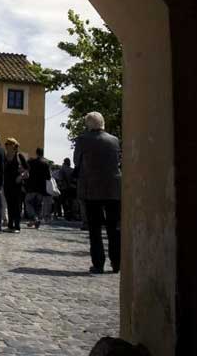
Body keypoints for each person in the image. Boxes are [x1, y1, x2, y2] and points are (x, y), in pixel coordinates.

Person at [74, 111, 121, 274]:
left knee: (95, 229)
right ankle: (117, 262)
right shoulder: (114, 140)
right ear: (103, 123)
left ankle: (98, 263)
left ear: (88, 124)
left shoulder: (82, 140)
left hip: (91, 188)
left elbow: (77, 162)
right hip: (113, 189)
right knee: (114, 227)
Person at [3, 138, 26, 233]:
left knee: (17, 206)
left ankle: (17, 227)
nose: (6, 145)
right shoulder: (5, 156)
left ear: (14, 145)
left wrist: (21, 176)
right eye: (6, 144)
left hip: (17, 185)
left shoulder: (19, 156)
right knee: (10, 205)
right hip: (7, 184)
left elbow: (27, 170)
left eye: (8, 144)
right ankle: (10, 225)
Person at [25, 148, 52, 228]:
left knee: (28, 202)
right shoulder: (46, 164)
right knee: (38, 205)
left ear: (36, 153)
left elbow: (27, 171)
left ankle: (34, 219)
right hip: (41, 188)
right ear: (43, 153)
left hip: (32, 187)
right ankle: (35, 221)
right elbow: (48, 177)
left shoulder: (31, 162)